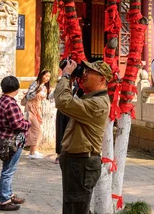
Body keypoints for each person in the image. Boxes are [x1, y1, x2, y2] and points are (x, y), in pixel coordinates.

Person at [55, 59, 112, 214]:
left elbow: (62, 101)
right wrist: (71, 80)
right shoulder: (90, 98)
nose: (84, 74)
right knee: (74, 207)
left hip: (81, 163)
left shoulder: (98, 103)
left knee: (75, 208)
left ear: (102, 79)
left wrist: (66, 75)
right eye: (84, 70)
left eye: (89, 72)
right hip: (76, 162)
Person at [0, 76, 30, 211]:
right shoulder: (11, 104)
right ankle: (4, 200)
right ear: (15, 88)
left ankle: (8, 194)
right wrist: (28, 123)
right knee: (8, 171)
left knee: (7, 169)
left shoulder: (0, 101)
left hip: (3, 140)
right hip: (12, 141)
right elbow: (17, 124)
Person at [24, 70, 50, 159]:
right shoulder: (35, 84)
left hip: (38, 109)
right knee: (35, 128)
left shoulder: (45, 87)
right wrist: (36, 91)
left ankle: (35, 150)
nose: (47, 78)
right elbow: (28, 96)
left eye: (49, 77)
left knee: (39, 129)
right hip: (30, 108)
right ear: (41, 75)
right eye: (46, 76)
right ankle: (31, 153)